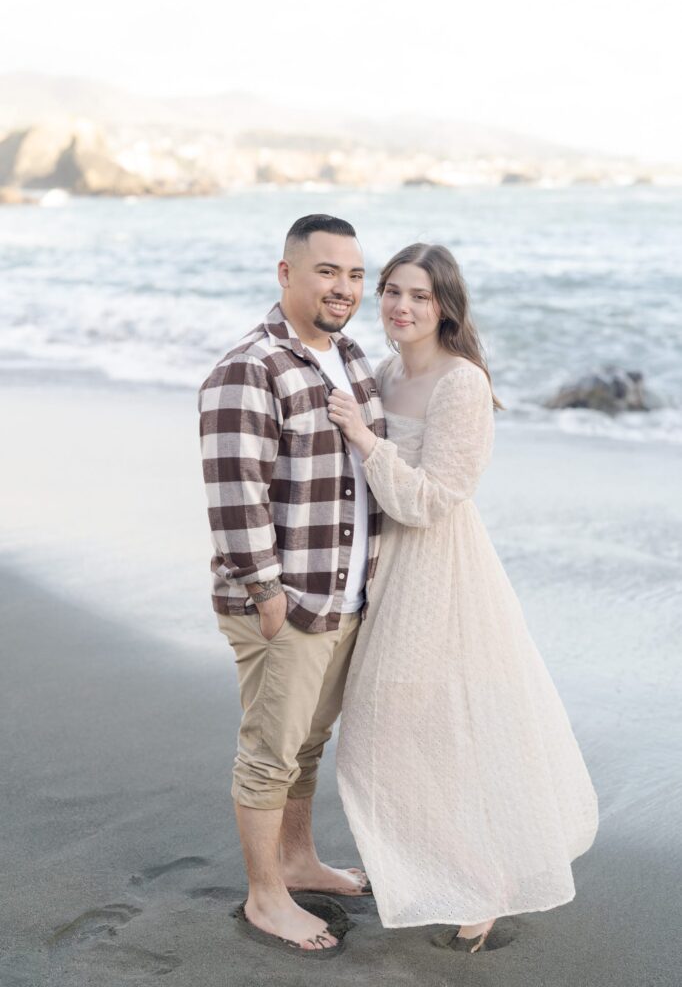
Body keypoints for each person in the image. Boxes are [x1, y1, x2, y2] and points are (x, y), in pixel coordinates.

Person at [331, 243, 599, 952]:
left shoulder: (462, 384)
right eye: (391, 290)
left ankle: (484, 880)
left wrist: (363, 438)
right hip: (381, 568)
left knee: (415, 728)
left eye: (418, 295)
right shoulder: (386, 370)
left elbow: (435, 500)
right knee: (394, 735)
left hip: (438, 573)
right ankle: (426, 863)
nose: (400, 306)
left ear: (446, 306)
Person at [198, 214, 385, 954]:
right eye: (327, 271)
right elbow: (232, 492)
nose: (344, 287)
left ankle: (300, 860)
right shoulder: (249, 367)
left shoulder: (354, 357)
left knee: (308, 743)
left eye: (355, 274)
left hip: (344, 596)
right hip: (286, 602)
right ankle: (266, 896)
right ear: (286, 275)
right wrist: (269, 596)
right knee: (270, 751)